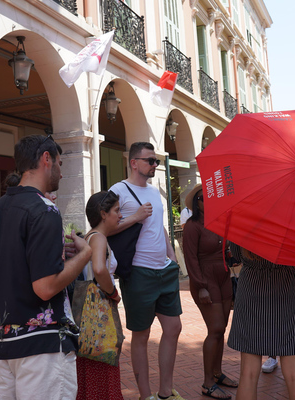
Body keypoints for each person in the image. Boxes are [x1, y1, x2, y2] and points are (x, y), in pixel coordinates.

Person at [0, 134, 92, 400]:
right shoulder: (45, 210)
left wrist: (56, 256)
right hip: (41, 346)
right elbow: (45, 288)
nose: (61, 173)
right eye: (60, 163)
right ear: (46, 159)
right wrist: (85, 254)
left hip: (4, 342)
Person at [108, 141, 183, 400]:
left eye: (156, 161)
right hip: (139, 273)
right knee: (141, 335)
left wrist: (171, 255)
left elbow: (158, 225)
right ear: (133, 163)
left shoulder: (153, 192)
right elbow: (104, 228)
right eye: (150, 160)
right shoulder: (118, 190)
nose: (154, 165)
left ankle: (165, 391)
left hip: (165, 270)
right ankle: (146, 395)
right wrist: (135, 217)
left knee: (173, 328)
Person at [227, 242, 295, 400]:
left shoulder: (241, 219)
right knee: (294, 376)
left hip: (251, 292)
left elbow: (236, 255)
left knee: (248, 374)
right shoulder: (291, 220)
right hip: (285, 291)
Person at [182, 184, 238, 399]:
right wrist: (201, 286)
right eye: (205, 198)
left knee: (221, 329)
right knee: (214, 329)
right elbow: (191, 259)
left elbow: (224, 248)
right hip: (205, 280)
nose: (210, 201)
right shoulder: (192, 226)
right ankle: (207, 383)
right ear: (197, 201)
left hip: (223, 275)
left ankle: (217, 373)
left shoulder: (219, 221)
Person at [77, 190, 124, 400]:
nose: (120, 215)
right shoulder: (99, 238)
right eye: (117, 210)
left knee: (89, 368)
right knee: (103, 362)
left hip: (87, 315)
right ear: (103, 214)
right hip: (99, 313)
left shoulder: (90, 236)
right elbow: (99, 269)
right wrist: (113, 292)